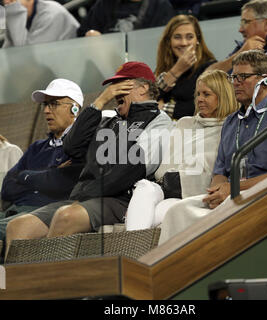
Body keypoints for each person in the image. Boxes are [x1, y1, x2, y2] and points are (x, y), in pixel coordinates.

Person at [5, 61, 173, 256]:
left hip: (121, 198)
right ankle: (17, 286)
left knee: (66, 216)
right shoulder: (108, 119)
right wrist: (99, 102)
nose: (115, 90)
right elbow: (72, 147)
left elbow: (133, 168)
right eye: (113, 86)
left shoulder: (158, 121)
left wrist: (90, 192)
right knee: (18, 228)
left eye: (123, 84)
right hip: (86, 197)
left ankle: (50, 284)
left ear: (143, 88)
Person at [158, 50, 267, 244]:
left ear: (265, 80)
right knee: (176, 212)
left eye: (243, 77)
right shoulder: (232, 121)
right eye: (234, 77)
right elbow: (220, 170)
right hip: (231, 195)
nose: (236, 82)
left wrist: (234, 188)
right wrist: (217, 191)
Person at [126, 70, 239, 231]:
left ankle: (130, 251)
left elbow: (209, 173)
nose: (200, 99)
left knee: (159, 213)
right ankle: (130, 251)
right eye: (198, 94)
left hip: (195, 196)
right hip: (165, 186)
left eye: (207, 94)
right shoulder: (184, 123)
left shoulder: (230, 129)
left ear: (223, 97)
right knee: (144, 187)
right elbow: (164, 168)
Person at [0, 78, 85, 240]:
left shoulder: (80, 145)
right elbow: (7, 187)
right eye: (45, 105)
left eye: (54, 104)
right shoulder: (37, 147)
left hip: (41, 213)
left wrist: (25, 176)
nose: (46, 110)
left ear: (74, 109)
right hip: (13, 210)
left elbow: (62, 185)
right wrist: (48, 174)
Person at [206, 0, 267, 105]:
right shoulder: (242, 49)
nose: (240, 29)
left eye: (245, 22)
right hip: (234, 118)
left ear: (266, 24)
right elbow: (207, 78)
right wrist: (240, 53)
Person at [155, 15, 216, 120]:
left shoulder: (209, 68)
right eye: (177, 37)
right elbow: (149, 98)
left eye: (189, 37)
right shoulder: (162, 68)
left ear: (198, 40)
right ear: (169, 41)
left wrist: (162, 107)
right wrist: (177, 70)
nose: (184, 43)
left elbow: (202, 106)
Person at [2, 0, 79, 48]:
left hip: (68, 67)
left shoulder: (52, 13)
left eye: (12, 0)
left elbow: (28, 57)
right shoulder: (16, 16)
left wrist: (15, 13)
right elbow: (9, 53)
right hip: (48, 68)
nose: (7, 2)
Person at [77, 0, 176, 37]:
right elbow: (82, 32)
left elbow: (163, 42)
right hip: (104, 61)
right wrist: (90, 34)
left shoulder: (160, 6)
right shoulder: (105, 4)